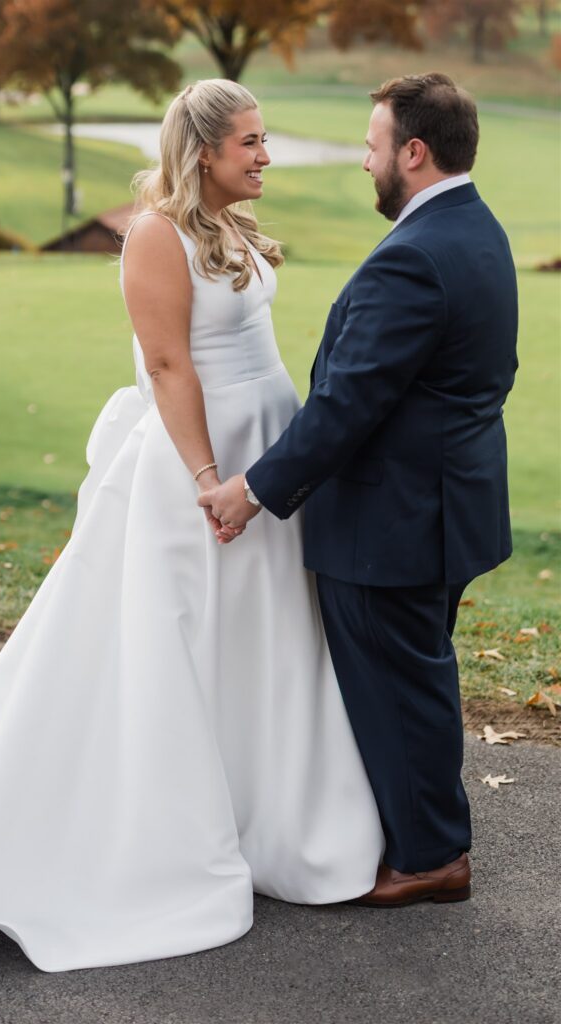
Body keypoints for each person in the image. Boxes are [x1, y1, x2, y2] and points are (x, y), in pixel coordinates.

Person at [0, 80, 383, 1002]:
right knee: (181, 640)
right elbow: (168, 364)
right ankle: (168, 824)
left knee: (262, 635)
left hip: (265, 453)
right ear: (203, 151)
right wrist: (207, 480)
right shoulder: (156, 235)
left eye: (266, 139)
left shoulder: (230, 225)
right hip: (200, 468)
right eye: (250, 142)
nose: (265, 155)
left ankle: (266, 815)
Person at [200, 73, 519, 907]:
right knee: (415, 676)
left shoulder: (414, 256)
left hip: (392, 519)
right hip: (448, 504)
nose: (365, 162)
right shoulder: (478, 228)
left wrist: (254, 489)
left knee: (403, 688)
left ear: (413, 152)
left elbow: (347, 404)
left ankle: (432, 856)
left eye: (372, 147)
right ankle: (418, 832)